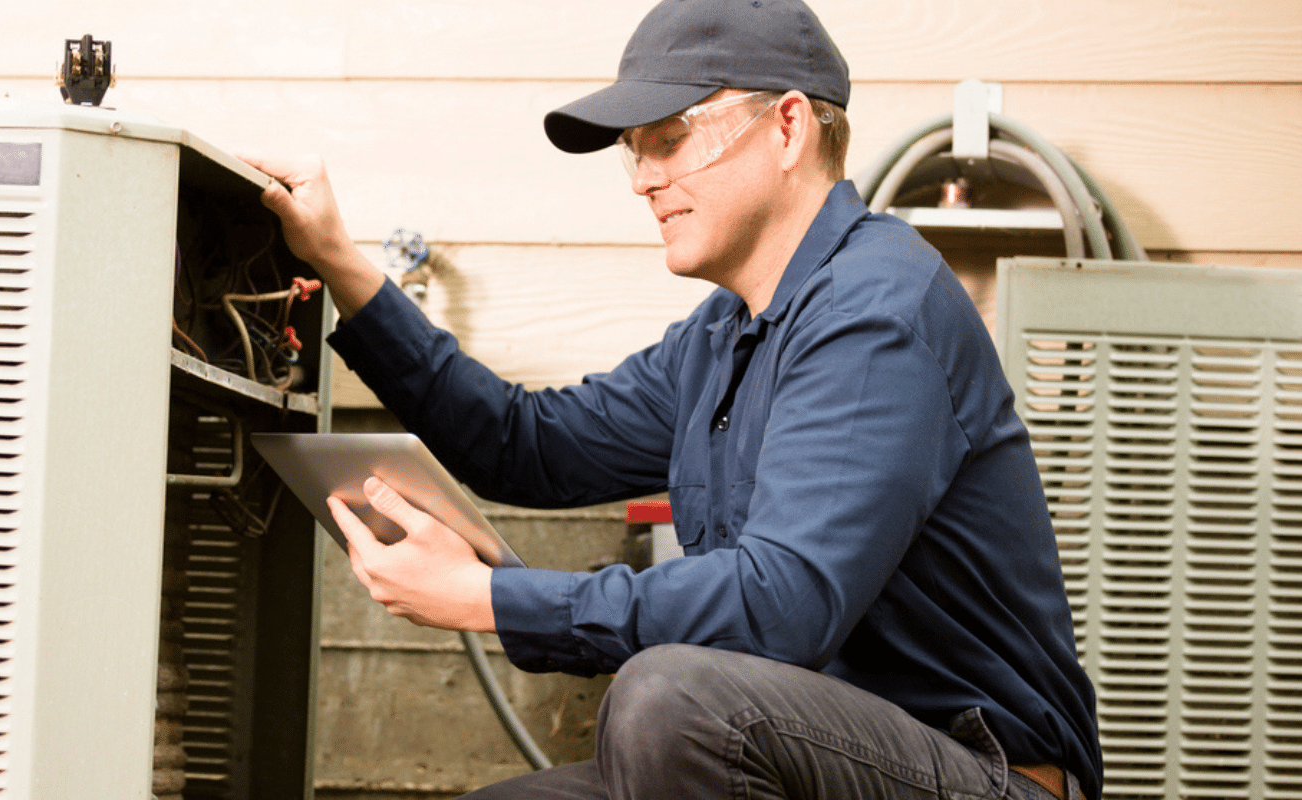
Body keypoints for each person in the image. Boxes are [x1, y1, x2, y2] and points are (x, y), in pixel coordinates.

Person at [240, 0, 1102, 797]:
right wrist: (341, 263)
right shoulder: (723, 335)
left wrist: (486, 598)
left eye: (671, 137)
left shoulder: (877, 311)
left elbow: (781, 606)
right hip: (801, 748)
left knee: (669, 696)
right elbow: (523, 444)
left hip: (980, 773)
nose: (641, 177)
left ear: (789, 126)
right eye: (634, 147)